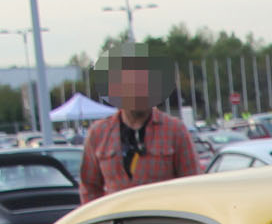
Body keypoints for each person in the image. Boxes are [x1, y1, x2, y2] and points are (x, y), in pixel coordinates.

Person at [78, 49, 199, 204]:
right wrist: (99, 221)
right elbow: (89, 187)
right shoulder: (99, 133)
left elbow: (192, 185)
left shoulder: (175, 130)